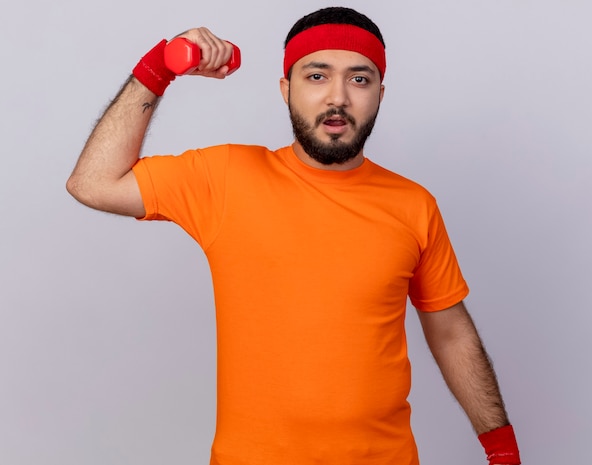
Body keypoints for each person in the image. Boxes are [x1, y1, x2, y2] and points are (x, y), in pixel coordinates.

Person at [67, 6, 521, 465]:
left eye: (359, 79)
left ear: (381, 94)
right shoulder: (225, 178)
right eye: (317, 76)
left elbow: (451, 334)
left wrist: (502, 450)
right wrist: (159, 66)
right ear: (286, 89)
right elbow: (93, 183)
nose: (338, 98)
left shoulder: (413, 204)